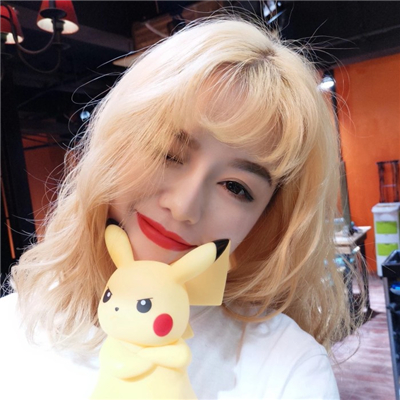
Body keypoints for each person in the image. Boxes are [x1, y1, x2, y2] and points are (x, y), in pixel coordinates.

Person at [0, 16, 358, 399]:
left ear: (265, 220)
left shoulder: (288, 367)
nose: (184, 206)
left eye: (236, 187)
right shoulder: (14, 324)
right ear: (115, 144)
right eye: (169, 153)